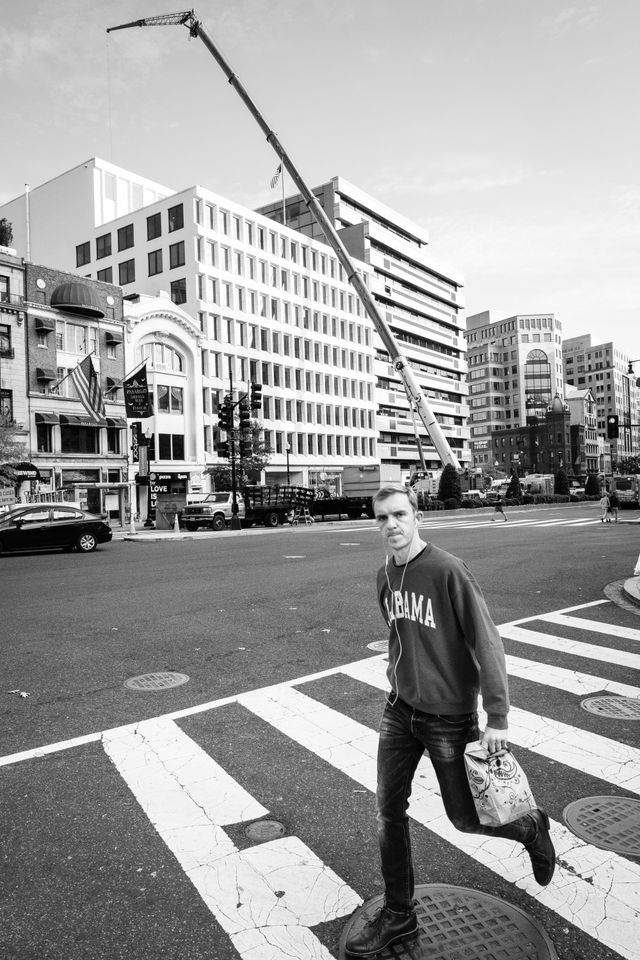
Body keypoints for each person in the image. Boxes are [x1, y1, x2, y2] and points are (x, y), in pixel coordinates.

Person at [344, 483, 555, 958]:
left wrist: (497, 715)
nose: (391, 525)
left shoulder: (447, 570)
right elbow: (399, 638)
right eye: (382, 518)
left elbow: (487, 642)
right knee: (387, 811)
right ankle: (399, 915)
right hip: (399, 710)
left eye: (399, 514)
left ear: (417, 515)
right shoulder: (384, 575)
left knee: (464, 818)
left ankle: (531, 828)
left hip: (449, 719)